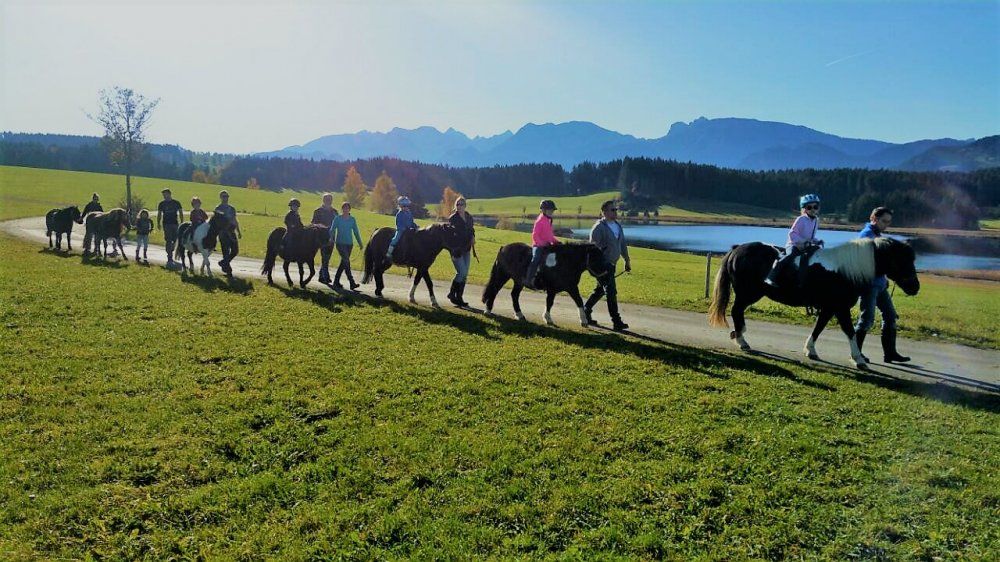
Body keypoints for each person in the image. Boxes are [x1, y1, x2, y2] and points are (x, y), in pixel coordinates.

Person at [854, 207, 910, 363]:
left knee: (890, 316)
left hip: (879, 284)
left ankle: (890, 353)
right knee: (867, 319)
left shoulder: (877, 235)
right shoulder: (866, 235)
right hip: (869, 285)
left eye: (889, 222)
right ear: (874, 218)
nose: (886, 225)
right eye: (884, 221)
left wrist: (885, 278)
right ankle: (855, 353)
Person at [584, 200, 631, 331]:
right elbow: (592, 249)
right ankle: (616, 321)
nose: (615, 212)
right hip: (602, 266)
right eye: (612, 210)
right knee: (611, 291)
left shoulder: (617, 226)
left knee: (600, 291)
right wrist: (598, 266)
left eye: (616, 210)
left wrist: (627, 260)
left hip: (612, 264)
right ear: (604, 212)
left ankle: (586, 311)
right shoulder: (598, 228)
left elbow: (622, 245)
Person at [764, 194, 823, 288]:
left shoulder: (816, 220)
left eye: (815, 207)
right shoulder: (801, 219)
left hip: (806, 246)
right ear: (804, 209)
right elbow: (792, 234)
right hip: (794, 244)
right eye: (809, 207)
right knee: (790, 255)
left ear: (818, 208)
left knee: (811, 256)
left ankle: (801, 281)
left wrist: (817, 241)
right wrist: (803, 241)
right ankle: (771, 277)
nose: (813, 209)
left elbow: (811, 237)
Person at [522, 199, 560, 289]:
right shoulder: (540, 220)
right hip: (538, 245)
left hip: (547, 245)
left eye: (552, 210)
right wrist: (542, 244)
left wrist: (556, 242)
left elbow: (550, 236)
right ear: (543, 210)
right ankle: (528, 280)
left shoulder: (548, 220)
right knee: (536, 259)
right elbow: (535, 235)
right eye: (550, 210)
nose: (552, 212)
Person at [447, 196, 476, 307]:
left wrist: (473, 237)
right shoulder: (453, 218)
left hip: (467, 249)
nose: (459, 206)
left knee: (464, 275)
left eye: (461, 204)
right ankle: (451, 293)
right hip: (456, 250)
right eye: (457, 204)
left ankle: (459, 298)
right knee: (462, 272)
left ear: (465, 206)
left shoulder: (469, 217)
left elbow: (471, 229)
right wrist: (453, 251)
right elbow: (451, 236)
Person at [329, 201, 364, 289]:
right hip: (340, 244)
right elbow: (332, 229)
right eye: (344, 208)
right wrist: (331, 238)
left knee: (344, 263)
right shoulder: (337, 218)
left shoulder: (352, 219)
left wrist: (360, 243)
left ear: (349, 209)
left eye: (347, 208)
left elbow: (356, 232)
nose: (345, 210)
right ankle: (352, 282)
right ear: (342, 209)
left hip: (349, 244)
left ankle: (336, 282)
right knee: (346, 262)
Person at [311, 193, 337, 283]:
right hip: (321, 238)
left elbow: (337, 224)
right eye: (327, 200)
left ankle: (321, 276)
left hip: (331, 237)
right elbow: (313, 223)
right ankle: (326, 277)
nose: (329, 201)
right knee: (325, 258)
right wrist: (322, 227)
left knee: (327, 258)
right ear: (323, 200)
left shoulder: (334, 212)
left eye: (330, 200)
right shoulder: (318, 211)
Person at [215, 190, 241, 275]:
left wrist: (238, 231)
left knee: (235, 251)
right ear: (220, 197)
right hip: (223, 233)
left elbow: (235, 220)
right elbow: (216, 222)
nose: (225, 198)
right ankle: (228, 270)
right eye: (224, 196)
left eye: (226, 196)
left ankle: (223, 263)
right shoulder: (218, 208)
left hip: (232, 232)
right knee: (225, 252)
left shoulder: (232, 208)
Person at [157, 188, 183, 266]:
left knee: (175, 239)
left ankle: (171, 249)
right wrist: (158, 223)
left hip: (175, 223)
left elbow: (181, 212)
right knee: (168, 240)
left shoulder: (176, 203)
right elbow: (159, 214)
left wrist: (182, 222)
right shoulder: (162, 204)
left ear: (169, 194)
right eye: (163, 195)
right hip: (166, 224)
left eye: (165, 194)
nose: (164, 196)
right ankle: (169, 257)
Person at [385, 195, 416, 261]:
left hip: (409, 230)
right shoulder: (399, 214)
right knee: (395, 239)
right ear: (400, 206)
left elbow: (411, 222)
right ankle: (389, 252)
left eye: (407, 206)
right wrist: (403, 229)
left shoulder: (409, 213)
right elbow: (398, 224)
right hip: (401, 230)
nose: (405, 207)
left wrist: (415, 226)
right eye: (404, 206)